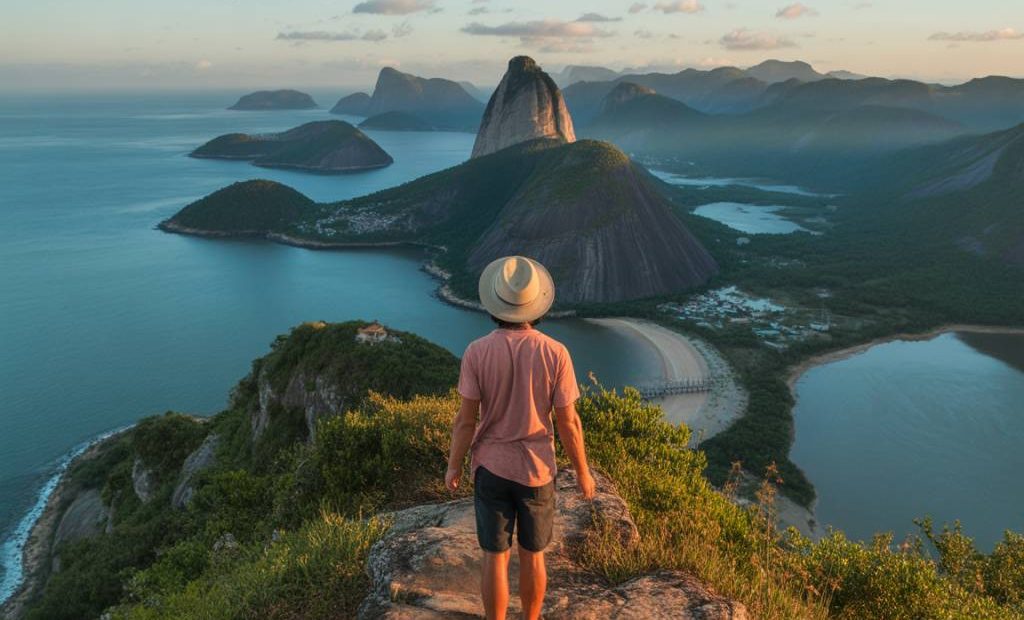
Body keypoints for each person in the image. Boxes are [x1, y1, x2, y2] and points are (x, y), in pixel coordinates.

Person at [445, 255, 595, 620]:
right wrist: (583, 471)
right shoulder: (555, 353)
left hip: (491, 469)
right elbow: (568, 422)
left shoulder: (477, 352)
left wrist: (453, 466)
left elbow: (466, 422)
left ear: (495, 304)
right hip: (537, 471)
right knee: (534, 556)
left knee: (494, 558)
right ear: (536, 304)